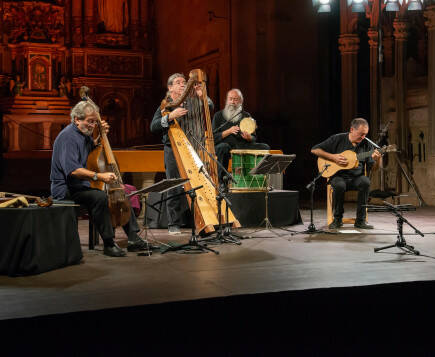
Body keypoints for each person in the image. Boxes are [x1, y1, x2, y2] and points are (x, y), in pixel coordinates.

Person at [50, 101, 149, 257]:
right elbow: (73, 170)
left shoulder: (83, 135)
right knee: (100, 197)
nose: (93, 125)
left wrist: (102, 136)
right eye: (90, 121)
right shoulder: (68, 138)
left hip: (81, 186)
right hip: (66, 188)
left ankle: (133, 238)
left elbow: (92, 150)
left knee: (122, 190)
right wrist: (98, 176)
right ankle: (109, 244)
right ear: (77, 119)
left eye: (95, 122)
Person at [150, 73, 213, 235]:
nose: (183, 84)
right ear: (170, 87)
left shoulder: (195, 100)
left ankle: (202, 220)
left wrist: (203, 96)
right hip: (173, 149)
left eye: (184, 82)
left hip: (194, 148)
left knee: (199, 184)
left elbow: (210, 108)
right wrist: (171, 116)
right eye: (178, 82)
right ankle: (173, 223)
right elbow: (154, 126)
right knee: (174, 186)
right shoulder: (166, 105)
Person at [311, 118, 381, 230]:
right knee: (339, 185)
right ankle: (337, 219)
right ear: (352, 129)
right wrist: (333, 157)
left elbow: (375, 169)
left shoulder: (366, 144)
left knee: (365, 182)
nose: (363, 137)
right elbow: (314, 150)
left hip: (356, 178)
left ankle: (360, 221)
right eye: (361, 134)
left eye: (365, 135)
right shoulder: (337, 139)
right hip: (338, 176)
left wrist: (378, 159)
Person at [212, 89, 270, 183]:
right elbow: (213, 138)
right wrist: (228, 131)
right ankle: (221, 181)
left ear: (240, 102)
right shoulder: (218, 116)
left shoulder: (246, 115)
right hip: (225, 146)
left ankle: (260, 179)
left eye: (235, 99)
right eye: (230, 99)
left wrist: (249, 137)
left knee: (265, 147)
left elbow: (254, 137)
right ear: (226, 100)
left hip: (242, 145)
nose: (232, 102)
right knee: (223, 147)